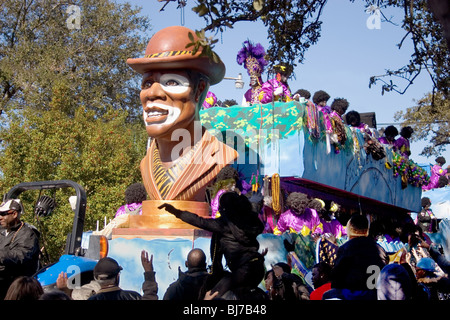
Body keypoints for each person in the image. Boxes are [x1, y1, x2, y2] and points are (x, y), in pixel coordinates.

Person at [126, 25, 238, 202]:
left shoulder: (219, 156)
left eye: (171, 82)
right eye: (147, 84)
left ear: (199, 91)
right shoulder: (145, 164)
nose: (152, 93)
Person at [158, 191, 265, 298]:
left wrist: (175, 211)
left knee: (213, 295)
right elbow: (253, 209)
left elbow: (199, 221)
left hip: (243, 271)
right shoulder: (250, 219)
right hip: (259, 267)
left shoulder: (223, 225)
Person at [323, 214, 388, 300]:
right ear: (367, 231)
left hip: (354, 295)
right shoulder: (379, 249)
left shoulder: (346, 248)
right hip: (375, 294)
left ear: (350, 229)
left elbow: (336, 279)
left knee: (327, 295)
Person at [0, 199, 40, 300]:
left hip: (16, 286)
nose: (0, 217)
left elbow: (21, 255)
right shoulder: (2, 231)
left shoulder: (28, 234)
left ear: (14, 214)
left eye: (3, 214)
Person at [236, 40, 268, 106]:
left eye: (254, 77)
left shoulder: (266, 89)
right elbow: (243, 109)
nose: (252, 79)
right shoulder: (247, 94)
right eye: (251, 77)